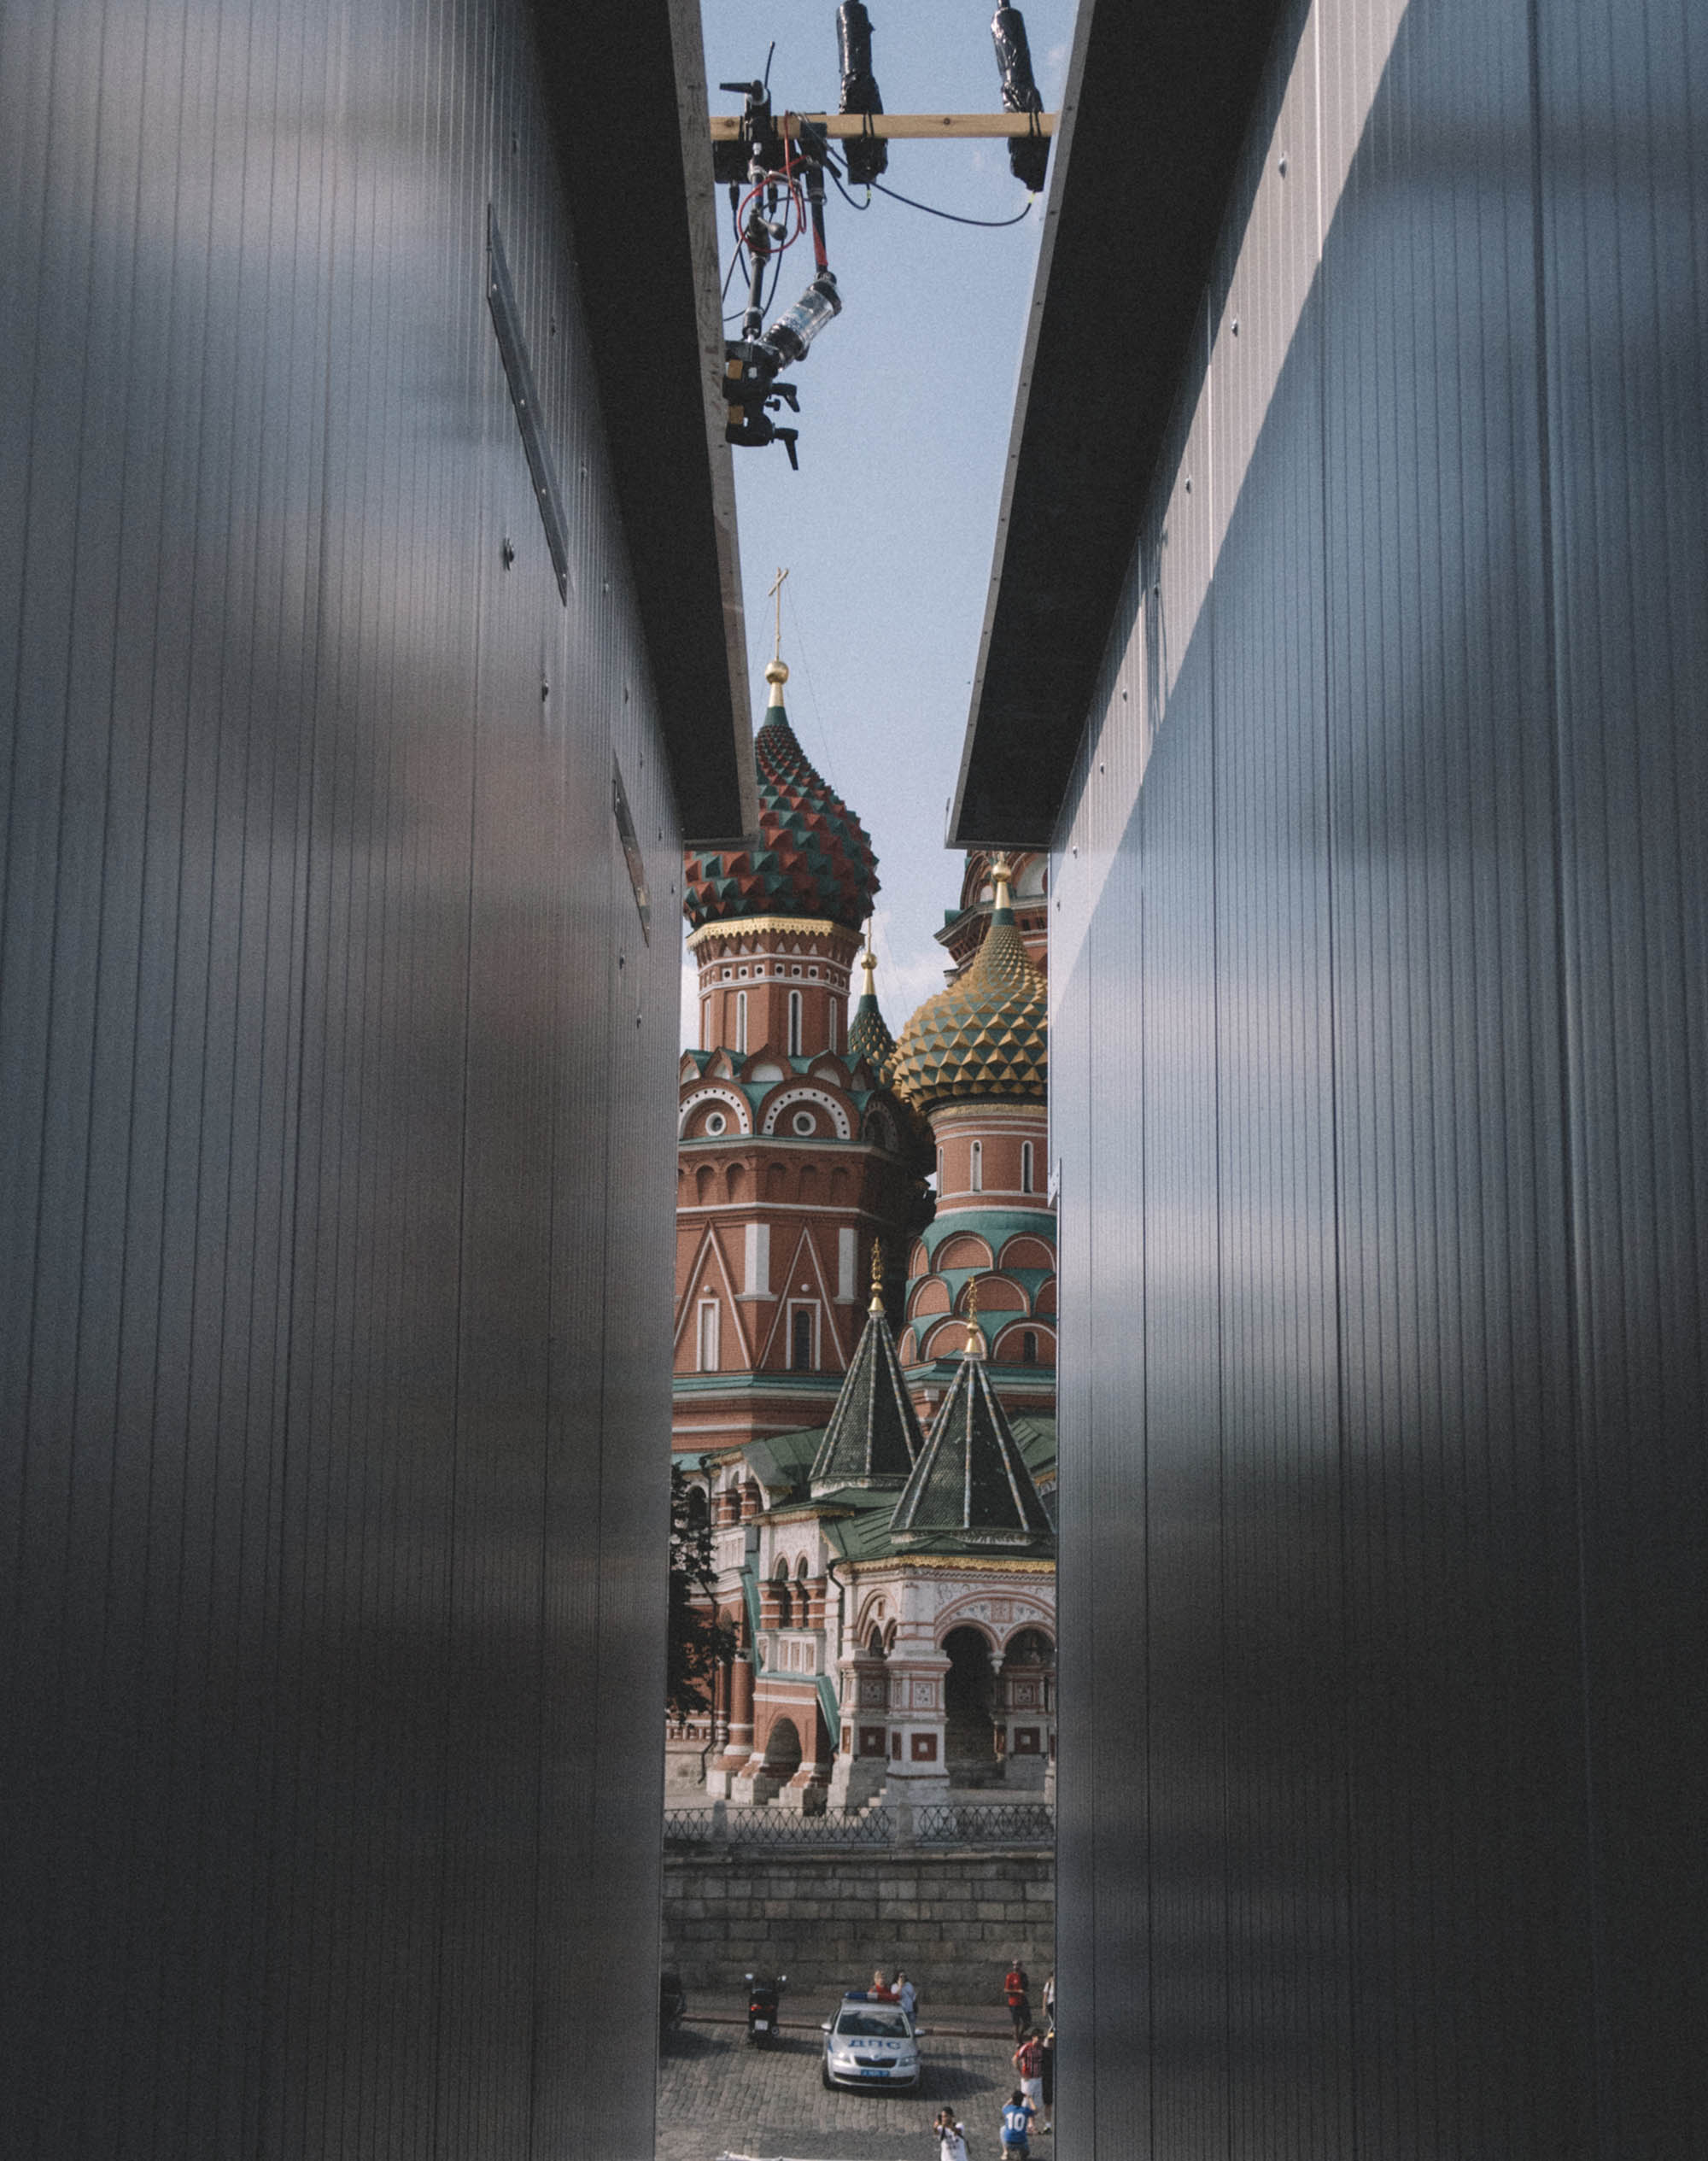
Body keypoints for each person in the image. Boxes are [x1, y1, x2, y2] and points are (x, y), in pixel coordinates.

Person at [1013, 2028, 1044, 2123]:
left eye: (1042, 2038)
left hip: (1038, 2078)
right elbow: (1014, 2059)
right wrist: (1021, 2073)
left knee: (1038, 2104)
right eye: (1039, 2037)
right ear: (1033, 2037)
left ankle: (1030, 2123)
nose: (1040, 2040)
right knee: (1026, 2102)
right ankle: (1025, 2123)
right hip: (1028, 2079)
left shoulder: (1042, 2049)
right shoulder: (1027, 2047)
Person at [999, 2088, 1036, 2158]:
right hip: (1021, 2143)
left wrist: (1012, 2099)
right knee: (1026, 2153)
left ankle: (1006, 2152)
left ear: (1013, 2100)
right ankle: (1022, 2155)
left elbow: (1004, 2107)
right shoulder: (1025, 2110)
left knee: (1003, 2129)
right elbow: (1035, 2110)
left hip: (1008, 2143)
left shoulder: (1008, 2109)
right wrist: (1030, 2099)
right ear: (1022, 2101)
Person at [1003, 1958, 1031, 2041]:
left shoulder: (1024, 1976)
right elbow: (1006, 1990)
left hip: (1023, 2001)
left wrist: (1024, 1990)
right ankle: (1018, 2041)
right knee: (1016, 2023)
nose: (1016, 1966)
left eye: (1018, 1964)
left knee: (1028, 2022)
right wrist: (1017, 1991)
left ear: (1021, 1966)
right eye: (1014, 1965)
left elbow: (1026, 1987)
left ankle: (1019, 2035)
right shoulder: (1010, 1976)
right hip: (1014, 2002)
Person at [1038, 2023, 1055, 2134]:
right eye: (1050, 2040)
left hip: (1057, 2080)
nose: (1051, 2042)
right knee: (1047, 2103)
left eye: (1053, 2040)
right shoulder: (1043, 2051)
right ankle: (1048, 2125)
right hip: (1047, 2080)